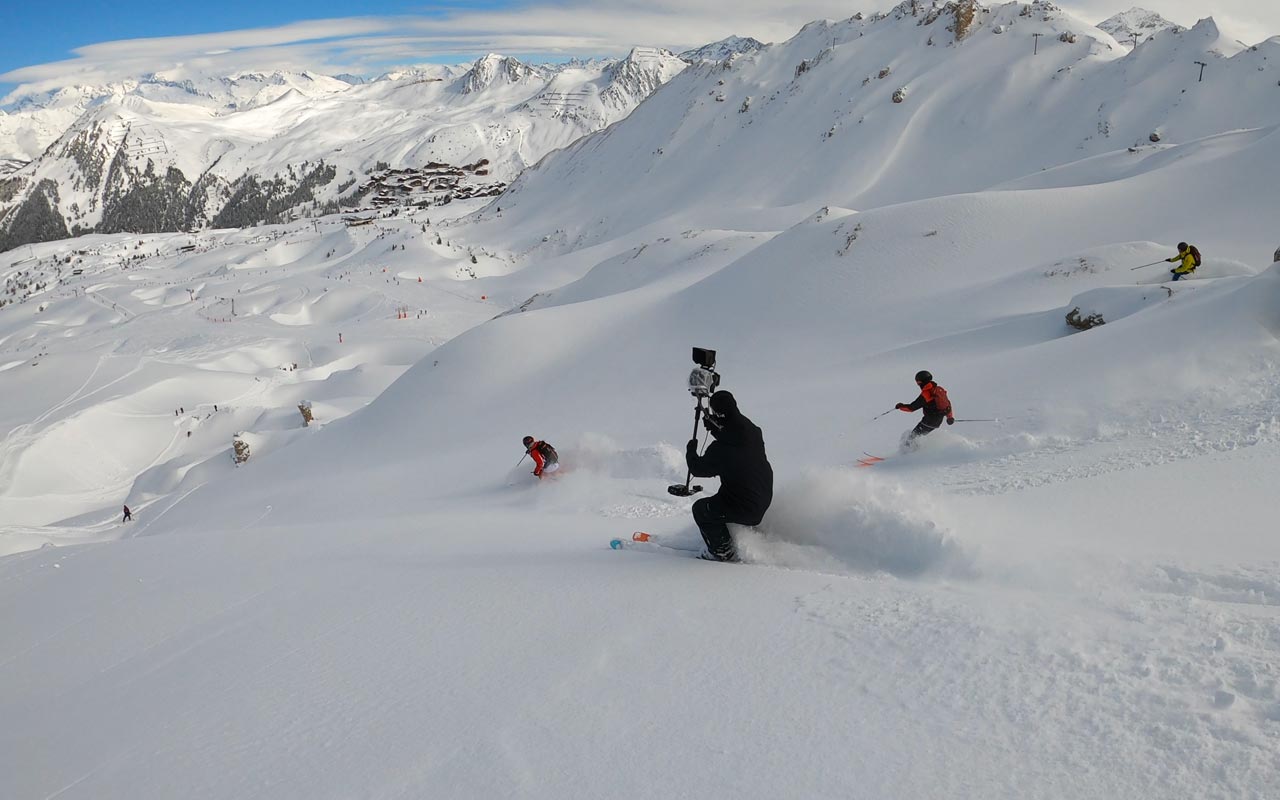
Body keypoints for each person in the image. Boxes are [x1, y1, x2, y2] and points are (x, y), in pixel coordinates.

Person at [685, 390, 773, 563]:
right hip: (763, 496)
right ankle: (748, 533)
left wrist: (691, 451)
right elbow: (735, 436)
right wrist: (716, 429)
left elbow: (698, 469)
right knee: (725, 495)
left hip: (745, 506)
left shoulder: (721, 450)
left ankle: (723, 553)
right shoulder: (753, 430)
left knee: (701, 510)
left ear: (718, 414)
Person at [896, 370, 954, 449]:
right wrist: (950, 417)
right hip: (938, 422)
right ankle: (920, 452)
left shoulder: (927, 393)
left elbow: (912, 408)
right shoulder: (939, 389)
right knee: (918, 438)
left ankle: (907, 457)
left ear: (921, 382)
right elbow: (947, 404)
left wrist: (900, 406)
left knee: (912, 438)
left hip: (928, 421)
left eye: (918, 383)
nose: (918, 385)